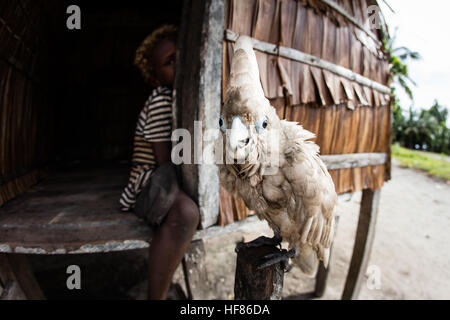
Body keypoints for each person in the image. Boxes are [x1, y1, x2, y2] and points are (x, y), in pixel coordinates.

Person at [120, 25, 200, 300]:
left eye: (179, 56)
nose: (177, 63)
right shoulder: (159, 99)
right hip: (149, 178)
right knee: (186, 214)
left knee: (187, 211)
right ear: (155, 79)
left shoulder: (179, 97)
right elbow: (163, 161)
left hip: (163, 175)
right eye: (168, 62)